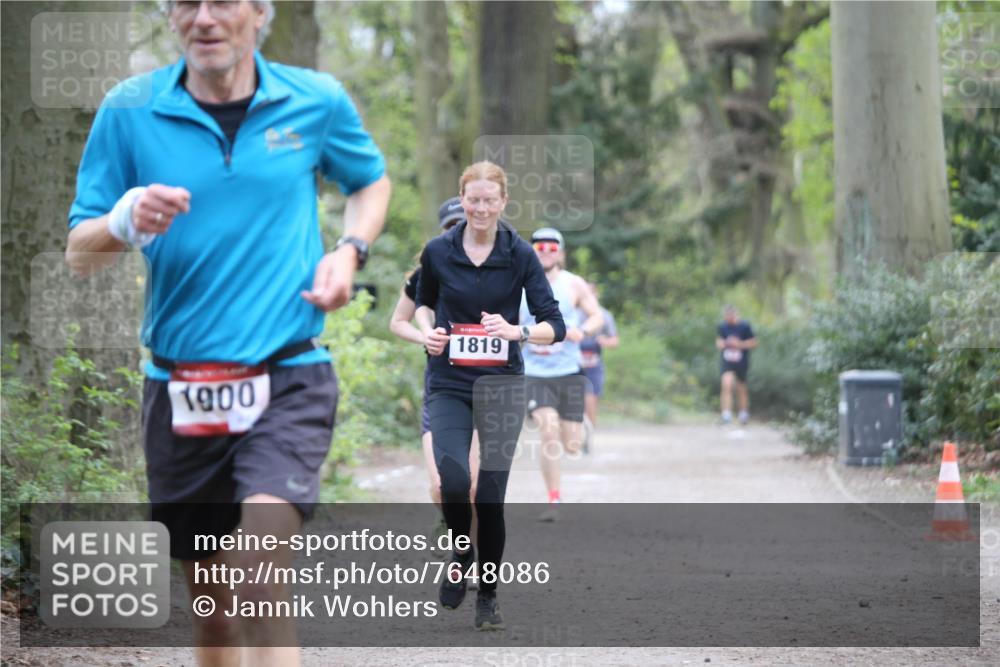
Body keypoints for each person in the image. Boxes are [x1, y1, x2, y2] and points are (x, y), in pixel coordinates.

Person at [64, 2, 391, 665]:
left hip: (288, 372)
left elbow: (370, 181)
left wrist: (349, 251)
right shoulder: (129, 109)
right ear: (169, 15)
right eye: (188, 2)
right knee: (215, 617)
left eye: (224, 1)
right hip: (182, 389)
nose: (205, 18)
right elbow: (80, 250)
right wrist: (124, 220)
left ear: (260, 13)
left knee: (258, 575)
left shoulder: (314, 100)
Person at [414, 161, 565, 630]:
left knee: (491, 496)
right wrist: (427, 332)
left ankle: (489, 596)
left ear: (503, 203)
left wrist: (516, 331)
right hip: (449, 382)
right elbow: (420, 301)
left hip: (501, 384)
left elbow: (554, 326)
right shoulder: (438, 251)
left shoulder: (519, 254)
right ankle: (462, 554)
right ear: (462, 201)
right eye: (472, 200)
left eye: (488, 200)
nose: (480, 208)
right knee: (454, 482)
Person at [388, 197, 480, 536]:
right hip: (441, 388)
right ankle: (446, 520)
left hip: (484, 390)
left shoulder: (500, 271)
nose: (458, 232)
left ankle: (467, 559)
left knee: (471, 490)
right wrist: (424, 337)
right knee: (443, 487)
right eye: (451, 227)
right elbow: (398, 322)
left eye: (464, 224)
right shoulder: (427, 274)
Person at [519, 229, 604, 521]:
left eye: (552, 246)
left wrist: (585, 330)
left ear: (561, 253)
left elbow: (597, 316)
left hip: (569, 372)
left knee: (571, 444)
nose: (546, 250)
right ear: (531, 251)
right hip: (534, 373)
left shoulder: (574, 284)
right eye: (539, 246)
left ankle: (583, 430)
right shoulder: (517, 284)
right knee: (548, 430)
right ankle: (554, 499)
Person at [579, 282, 620, 435]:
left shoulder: (604, 315)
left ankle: (589, 437)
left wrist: (605, 341)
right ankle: (575, 436)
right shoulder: (573, 314)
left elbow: (615, 341)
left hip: (593, 366)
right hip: (574, 365)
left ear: (596, 296)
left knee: (591, 403)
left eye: (591, 294)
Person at [715, 305, 758, 425]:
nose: (728, 318)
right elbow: (718, 341)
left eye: (730, 316)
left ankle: (743, 414)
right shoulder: (723, 326)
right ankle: (726, 414)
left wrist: (739, 344)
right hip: (727, 361)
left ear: (735, 314)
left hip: (741, 361)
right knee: (726, 385)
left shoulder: (744, 326)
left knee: (741, 388)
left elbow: (754, 342)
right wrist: (723, 344)